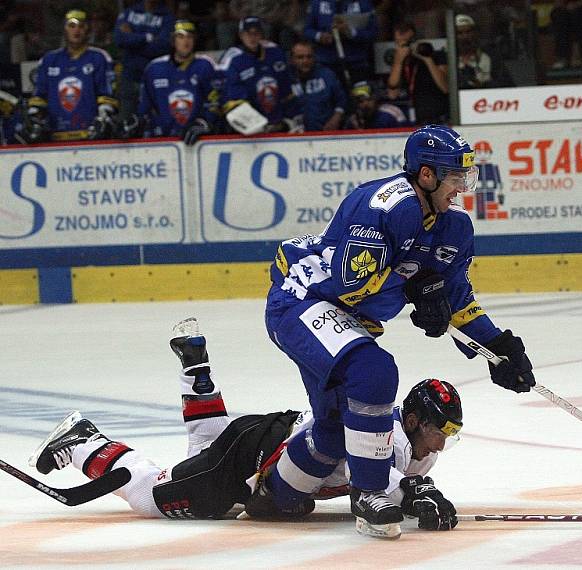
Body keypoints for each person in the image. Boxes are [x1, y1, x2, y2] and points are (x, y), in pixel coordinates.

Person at [262, 124, 536, 539]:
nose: (461, 187)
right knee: (373, 372)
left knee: (335, 433)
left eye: (466, 176)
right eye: (454, 176)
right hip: (301, 302)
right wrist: (414, 287)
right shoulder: (384, 205)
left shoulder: (455, 227)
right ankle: (371, 495)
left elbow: (456, 296)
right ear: (426, 175)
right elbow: (351, 283)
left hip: (347, 320)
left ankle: (273, 495)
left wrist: (495, 346)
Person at [29, 318, 460, 535]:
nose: (440, 442)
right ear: (412, 419)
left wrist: (415, 493)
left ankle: (197, 370)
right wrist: (415, 494)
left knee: (205, 445)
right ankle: (85, 442)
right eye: (438, 430)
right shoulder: (385, 434)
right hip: (257, 453)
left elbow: (383, 483)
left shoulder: (411, 448)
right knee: (151, 496)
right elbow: (380, 474)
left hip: (267, 435)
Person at [17, 9, 117, 143]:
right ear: (64, 29)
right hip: (56, 136)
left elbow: (107, 95)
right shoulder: (49, 60)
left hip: (90, 135)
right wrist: (34, 116)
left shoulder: (99, 57)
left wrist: (103, 117)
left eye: (81, 26)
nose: (77, 31)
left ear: (88, 30)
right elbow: (39, 96)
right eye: (72, 26)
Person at [121, 20, 217, 146]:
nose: (186, 41)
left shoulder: (205, 65)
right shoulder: (154, 68)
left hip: (197, 140)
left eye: (190, 37)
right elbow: (145, 106)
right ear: (173, 40)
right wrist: (137, 121)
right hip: (163, 140)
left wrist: (205, 122)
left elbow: (215, 101)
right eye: (180, 37)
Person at [219, 16, 293, 134]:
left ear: (261, 34)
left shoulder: (275, 52)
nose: (252, 37)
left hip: (278, 125)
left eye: (256, 33)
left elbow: (286, 91)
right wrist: (257, 125)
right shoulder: (232, 59)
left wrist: (287, 120)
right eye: (248, 33)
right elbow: (232, 99)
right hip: (249, 130)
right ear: (241, 35)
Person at [114, 0, 176, 122]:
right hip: (130, 77)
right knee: (125, 122)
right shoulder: (129, 12)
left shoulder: (167, 17)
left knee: (155, 120)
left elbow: (163, 47)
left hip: (155, 79)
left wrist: (133, 40)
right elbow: (120, 39)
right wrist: (148, 37)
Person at [386, 21, 448, 125]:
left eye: (406, 42)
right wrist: (398, 62)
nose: (403, 47)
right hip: (416, 120)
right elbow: (392, 93)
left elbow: (445, 87)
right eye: (398, 43)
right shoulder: (399, 63)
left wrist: (427, 59)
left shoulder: (435, 56)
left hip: (439, 117)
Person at [303, 0, 377, 87]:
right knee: (329, 98)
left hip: (357, 64)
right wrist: (319, 36)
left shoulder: (363, 3)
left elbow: (373, 32)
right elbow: (307, 30)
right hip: (326, 64)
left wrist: (351, 32)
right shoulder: (317, 3)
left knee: (361, 96)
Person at [286, 39, 347, 132]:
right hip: (295, 136)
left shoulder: (327, 75)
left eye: (309, 57)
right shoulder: (285, 79)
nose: (305, 61)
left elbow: (341, 100)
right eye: (300, 57)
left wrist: (336, 118)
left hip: (324, 133)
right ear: (292, 60)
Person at [454, 14, 513, 90]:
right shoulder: (445, 59)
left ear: (475, 33)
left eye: (468, 32)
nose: (465, 37)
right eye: (460, 33)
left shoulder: (491, 56)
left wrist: (483, 85)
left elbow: (507, 85)